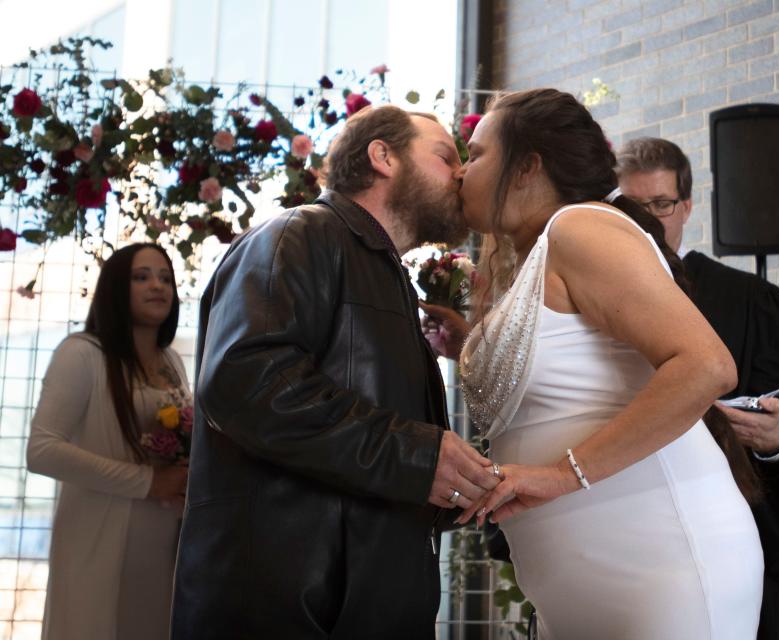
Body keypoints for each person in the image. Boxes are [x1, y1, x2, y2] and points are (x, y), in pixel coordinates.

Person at [171, 105, 500, 639]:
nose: (460, 173)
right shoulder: (297, 235)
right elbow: (244, 383)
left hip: (356, 602)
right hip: (290, 608)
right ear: (383, 156)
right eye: (445, 156)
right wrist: (417, 455)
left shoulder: (386, 274)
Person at [448, 88, 763, 638]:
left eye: (475, 155)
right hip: (583, 590)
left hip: (660, 566)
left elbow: (706, 365)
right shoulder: (537, 253)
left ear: (526, 167)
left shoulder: (579, 228)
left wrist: (559, 476)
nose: (460, 172)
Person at [617, 137, 779, 640]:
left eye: (660, 204)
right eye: (631, 206)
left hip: (725, 544)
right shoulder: (594, 295)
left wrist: (777, 441)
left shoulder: (749, 300)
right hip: (622, 538)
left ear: (686, 206)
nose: (646, 219)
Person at [27, 243, 190, 640]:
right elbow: (42, 450)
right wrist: (147, 481)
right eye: (142, 277)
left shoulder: (172, 362)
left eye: (166, 278)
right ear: (116, 288)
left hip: (164, 542)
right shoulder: (82, 353)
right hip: (98, 539)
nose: (158, 286)